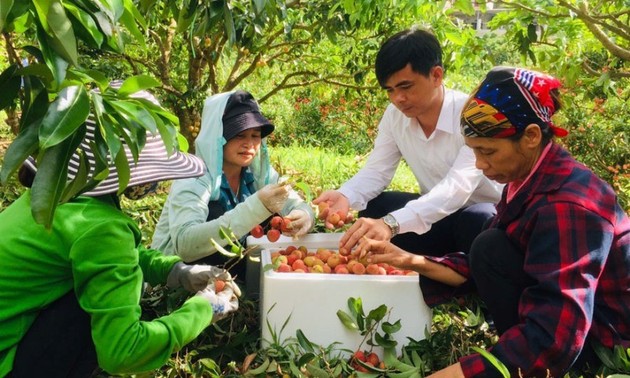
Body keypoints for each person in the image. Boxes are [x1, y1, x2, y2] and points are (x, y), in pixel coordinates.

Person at [355, 66, 630, 377]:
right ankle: (512, 353)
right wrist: (407, 259)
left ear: (530, 137)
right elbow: (479, 262)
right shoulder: (526, 180)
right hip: (570, 330)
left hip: (603, 347)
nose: (481, 165)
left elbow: (555, 338)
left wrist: (453, 375)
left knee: (489, 245)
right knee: (489, 245)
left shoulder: (571, 204)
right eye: (474, 152)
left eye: (488, 152)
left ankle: (519, 363)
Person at [0, 87, 241, 377]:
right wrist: (205, 308)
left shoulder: (51, 197)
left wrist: (176, 271)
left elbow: (111, 255)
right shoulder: (102, 227)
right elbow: (125, 351)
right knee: (97, 305)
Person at [313, 27, 502, 256]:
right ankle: (439, 261)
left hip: (483, 216)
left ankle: (461, 267)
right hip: (436, 216)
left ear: (436, 76)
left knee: (477, 219)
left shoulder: (469, 116)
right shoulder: (395, 116)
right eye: (390, 90)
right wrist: (345, 195)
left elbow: (457, 187)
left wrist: (392, 223)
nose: (398, 99)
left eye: (405, 87)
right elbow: (378, 170)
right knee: (375, 208)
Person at [151, 90, 315, 277]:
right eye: (239, 135)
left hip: (224, 275)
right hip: (177, 277)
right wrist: (257, 207)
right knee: (228, 210)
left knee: (270, 208)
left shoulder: (257, 174)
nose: (249, 144)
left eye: (255, 135)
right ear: (218, 138)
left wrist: (304, 215)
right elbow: (186, 244)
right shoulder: (193, 177)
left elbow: (296, 203)